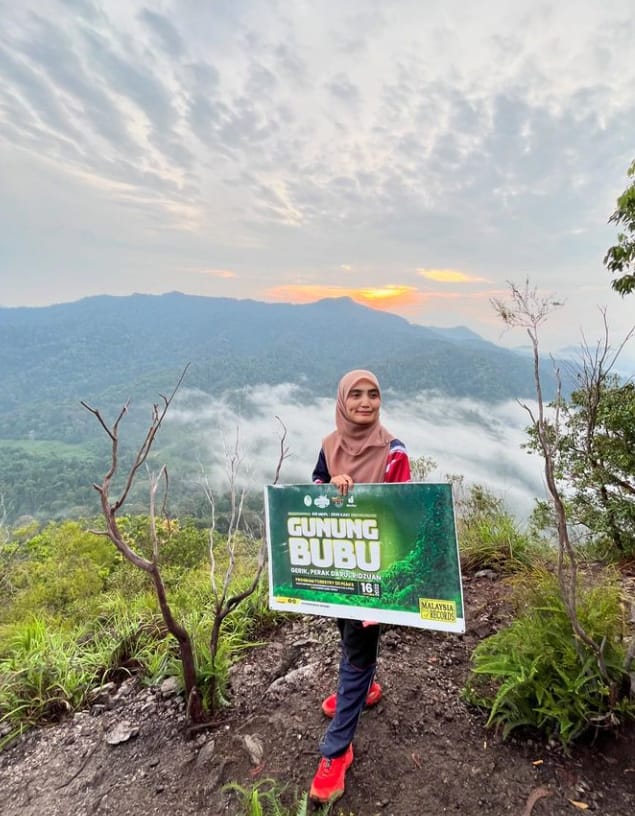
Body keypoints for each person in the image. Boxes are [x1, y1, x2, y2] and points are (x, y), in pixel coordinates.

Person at [309, 369, 411, 804]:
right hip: (338, 568)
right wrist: (330, 487)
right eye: (356, 395)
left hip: (376, 574)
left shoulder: (393, 451)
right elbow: (312, 489)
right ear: (342, 401)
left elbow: (405, 511)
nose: (365, 402)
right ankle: (367, 687)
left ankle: (337, 752)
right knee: (346, 633)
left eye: (373, 394)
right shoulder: (330, 445)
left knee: (356, 650)